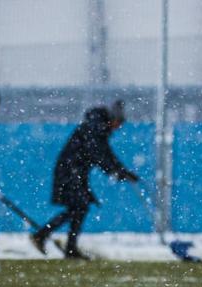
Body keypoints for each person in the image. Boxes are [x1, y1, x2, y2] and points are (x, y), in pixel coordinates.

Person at [32, 100, 139, 260]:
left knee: (78, 208)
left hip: (74, 172)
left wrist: (122, 171)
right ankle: (47, 237)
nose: (118, 128)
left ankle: (61, 243)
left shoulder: (98, 129)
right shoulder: (95, 130)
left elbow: (106, 155)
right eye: (118, 123)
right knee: (79, 207)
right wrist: (117, 172)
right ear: (112, 119)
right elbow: (100, 156)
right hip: (70, 172)